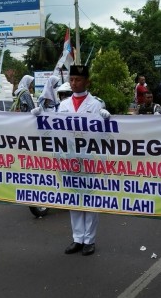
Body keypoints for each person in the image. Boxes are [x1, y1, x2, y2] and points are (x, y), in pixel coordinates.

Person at [35, 64, 109, 256]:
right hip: (69, 157)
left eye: (78, 80)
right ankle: (77, 238)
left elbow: (104, 136)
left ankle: (89, 240)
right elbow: (54, 130)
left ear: (87, 81)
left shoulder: (96, 104)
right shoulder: (64, 105)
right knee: (74, 197)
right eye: (72, 79)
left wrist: (106, 122)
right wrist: (39, 118)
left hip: (89, 157)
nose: (74, 83)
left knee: (91, 199)